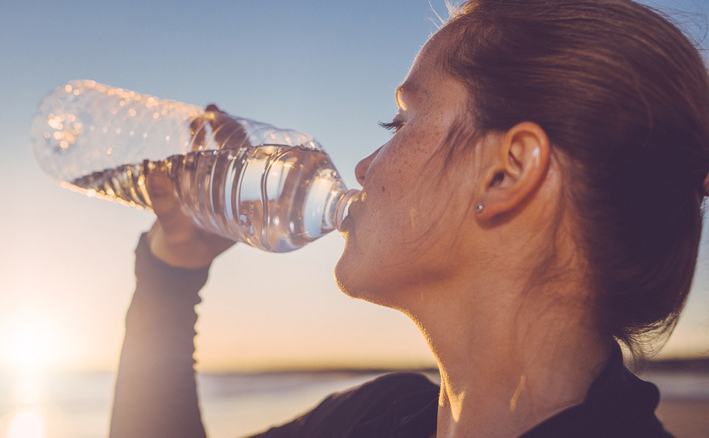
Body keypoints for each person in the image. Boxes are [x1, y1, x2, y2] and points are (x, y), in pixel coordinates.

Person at [109, 0, 709, 436]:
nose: (364, 167)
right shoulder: (375, 418)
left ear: (507, 172)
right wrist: (170, 272)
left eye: (399, 123)